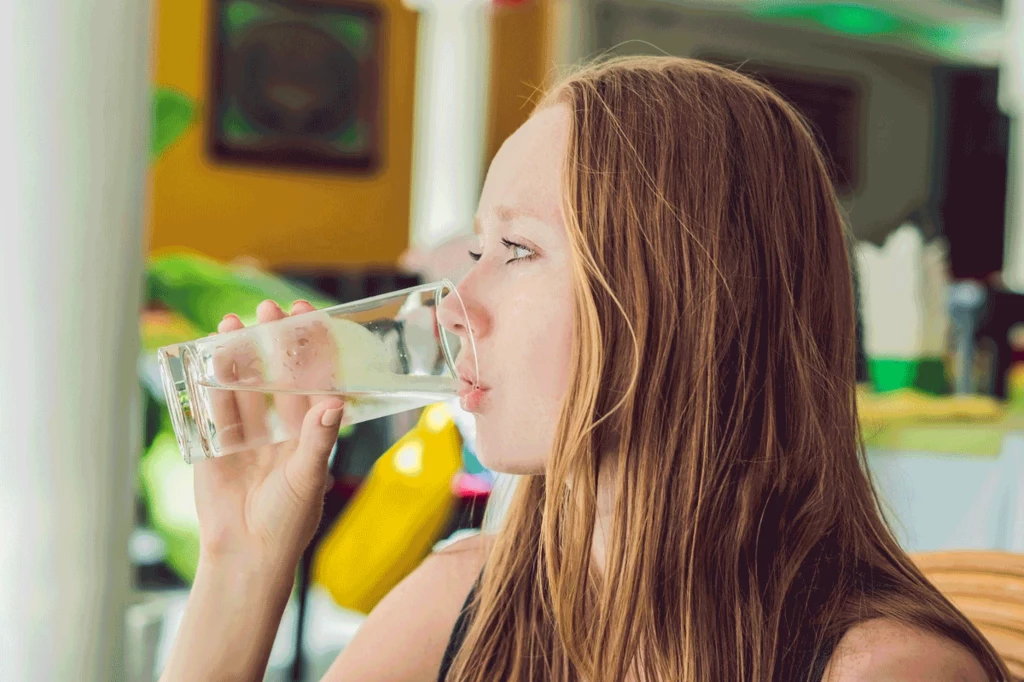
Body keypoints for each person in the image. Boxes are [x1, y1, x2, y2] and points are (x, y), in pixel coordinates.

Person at [159, 56, 1010, 682]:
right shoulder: (460, 601)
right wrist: (241, 559)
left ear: (682, 298)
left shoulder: (882, 671)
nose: (456, 303)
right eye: (477, 248)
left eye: (517, 250)